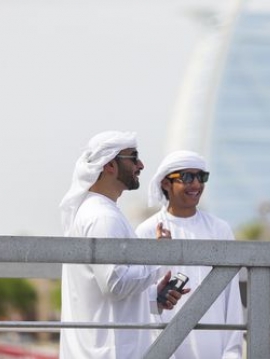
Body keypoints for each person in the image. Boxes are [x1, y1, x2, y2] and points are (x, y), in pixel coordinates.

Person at [58, 131, 187, 359]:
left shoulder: (99, 211)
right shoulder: (102, 217)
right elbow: (115, 284)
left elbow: (102, 290)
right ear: (109, 165)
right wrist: (159, 259)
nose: (141, 164)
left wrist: (152, 298)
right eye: (133, 157)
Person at [135, 150, 244, 359]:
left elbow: (232, 298)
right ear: (166, 183)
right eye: (186, 177)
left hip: (215, 346)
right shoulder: (147, 231)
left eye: (201, 177)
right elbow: (142, 299)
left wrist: (233, 352)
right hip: (164, 348)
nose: (196, 185)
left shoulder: (219, 229)